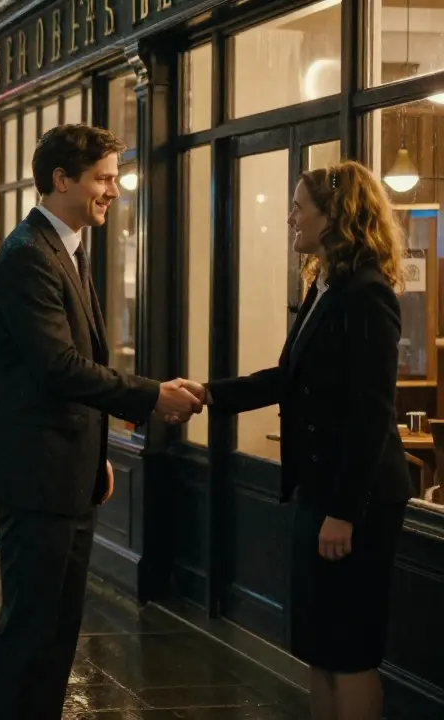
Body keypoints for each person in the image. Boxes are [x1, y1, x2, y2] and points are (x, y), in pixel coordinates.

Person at [0, 124, 202, 720]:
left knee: (55, 633)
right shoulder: (29, 256)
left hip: (64, 471)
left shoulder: (65, 248)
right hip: (37, 476)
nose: (114, 191)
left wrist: (95, 450)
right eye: (103, 178)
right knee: (32, 633)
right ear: (61, 179)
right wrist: (153, 396)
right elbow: (60, 368)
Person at [179, 161, 411, 720]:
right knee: (320, 647)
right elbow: (288, 378)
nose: (289, 219)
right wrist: (208, 393)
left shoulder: (367, 294)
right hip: (319, 491)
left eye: (298, 208)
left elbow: (371, 413)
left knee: (350, 651)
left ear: (335, 217)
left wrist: (344, 513)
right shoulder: (325, 286)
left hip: (355, 502)